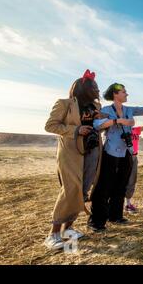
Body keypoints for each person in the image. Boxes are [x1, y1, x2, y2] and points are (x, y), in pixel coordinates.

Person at [87, 83, 143, 232]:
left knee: (121, 184)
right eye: (124, 92)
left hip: (126, 152)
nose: (126, 94)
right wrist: (119, 121)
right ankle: (96, 221)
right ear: (115, 94)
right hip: (110, 152)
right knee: (104, 186)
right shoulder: (106, 110)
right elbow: (97, 125)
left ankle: (115, 215)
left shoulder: (129, 110)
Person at [44, 70, 102, 250]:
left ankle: (68, 230)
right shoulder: (64, 103)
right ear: (84, 87)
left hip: (92, 151)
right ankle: (52, 234)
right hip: (71, 152)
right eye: (95, 87)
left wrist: (100, 122)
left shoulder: (97, 107)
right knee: (70, 190)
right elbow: (50, 125)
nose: (98, 91)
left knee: (83, 190)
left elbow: (96, 125)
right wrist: (76, 130)